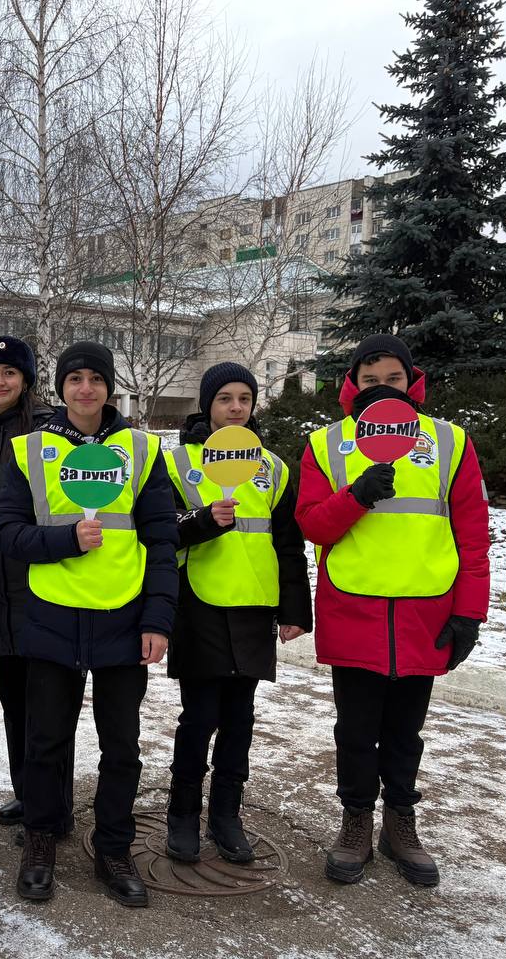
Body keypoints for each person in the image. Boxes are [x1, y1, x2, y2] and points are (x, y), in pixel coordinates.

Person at [296, 334, 490, 888]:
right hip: (353, 608)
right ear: (352, 383)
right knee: (355, 730)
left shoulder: (450, 442)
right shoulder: (327, 444)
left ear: (413, 381)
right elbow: (311, 524)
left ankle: (400, 823)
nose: (382, 388)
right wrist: (356, 495)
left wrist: (469, 614)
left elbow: (472, 536)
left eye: (394, 379)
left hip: (425, 615)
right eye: (371, 378)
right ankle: (356, 820)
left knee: (406, 732)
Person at [0, 341, 178, 907]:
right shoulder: (30, 451)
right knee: (46, 742)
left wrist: (157, 619)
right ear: (59, 388)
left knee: (121, 747)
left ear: (109, 386)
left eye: (95, 379)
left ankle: (113, 849)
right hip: (51, 617)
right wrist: (64, 540)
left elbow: (163, 542)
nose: (85, 389)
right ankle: (42, 841)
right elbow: (8, 533)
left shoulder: (142, 451)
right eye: (74, 379)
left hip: (124, 620)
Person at [162, 362, 312, 864]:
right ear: (207, 405)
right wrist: (203, 522)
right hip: (199, 605)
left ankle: (226, 814)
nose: (235, 407)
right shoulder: (180, 462)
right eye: (224, 398)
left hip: (253, 607)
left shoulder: (273, 466)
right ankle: (182, 813)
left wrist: (294, 608)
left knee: (240, 719)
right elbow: (160, 533)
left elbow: (289, 544)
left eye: (243, 399)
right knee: (200, 716)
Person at [0, 336, 70, 835]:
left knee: (49, 702)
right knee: (14, 699)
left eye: (9, 372)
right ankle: (28, 794)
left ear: (25, 379)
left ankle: (55, 804)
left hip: (45, 585)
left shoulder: (52, 432)